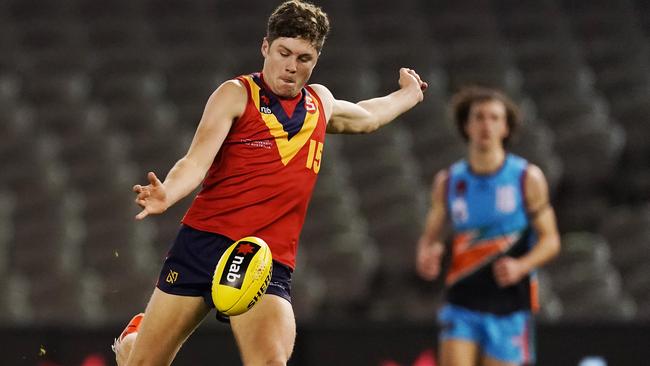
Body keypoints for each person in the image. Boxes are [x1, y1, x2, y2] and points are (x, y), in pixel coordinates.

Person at [112, 1, 428, 365]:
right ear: (266, 47)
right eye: (284, 52)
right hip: (203, 245)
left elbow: (368, 116)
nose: (292, 66)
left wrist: (409, 94)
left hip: (264, 258)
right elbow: (195, 161)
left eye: (304, 58)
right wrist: (167, 192)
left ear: (316, 59)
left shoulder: (319, 103)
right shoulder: (235, 94)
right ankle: (135, 343)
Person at [415, 86, 560, 366]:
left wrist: (521, 266)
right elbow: (430, 237)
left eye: (494, 118)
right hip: (462, 302)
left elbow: (551, 240)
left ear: (506, 127)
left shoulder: (526, 178)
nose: (486, 125)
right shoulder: (448, 182)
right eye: (479, 117)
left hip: (509, 307)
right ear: (466, 125)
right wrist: (427, 254)